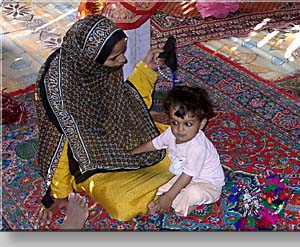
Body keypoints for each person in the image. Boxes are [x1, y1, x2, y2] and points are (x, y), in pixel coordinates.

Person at [34, 14, 174, 228]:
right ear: (90, 58)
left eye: (122, 54)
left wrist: (146, 69)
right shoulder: (60, 91)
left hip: (117, 136)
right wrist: (60, 193)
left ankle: (172, 182)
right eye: (114, 58)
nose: (123, 61)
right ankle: (174, 184)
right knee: (123, 204)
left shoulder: (92, 65)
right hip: (86, 158)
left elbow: (123, 103)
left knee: (183, 143)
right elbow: (59, 148)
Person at [130, 86, 225, 217]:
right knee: (155, 186)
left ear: (202, 124)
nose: (180, 129)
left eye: (188, 124)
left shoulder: (197, 147)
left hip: (207, 182)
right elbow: (155, 144)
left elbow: (188, 175)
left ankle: (183, 204)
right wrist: (132, 152)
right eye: (175, 122)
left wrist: (168, 197)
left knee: (191, 193)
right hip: (181, 175)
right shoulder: (171, 133)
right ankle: (166, 199)